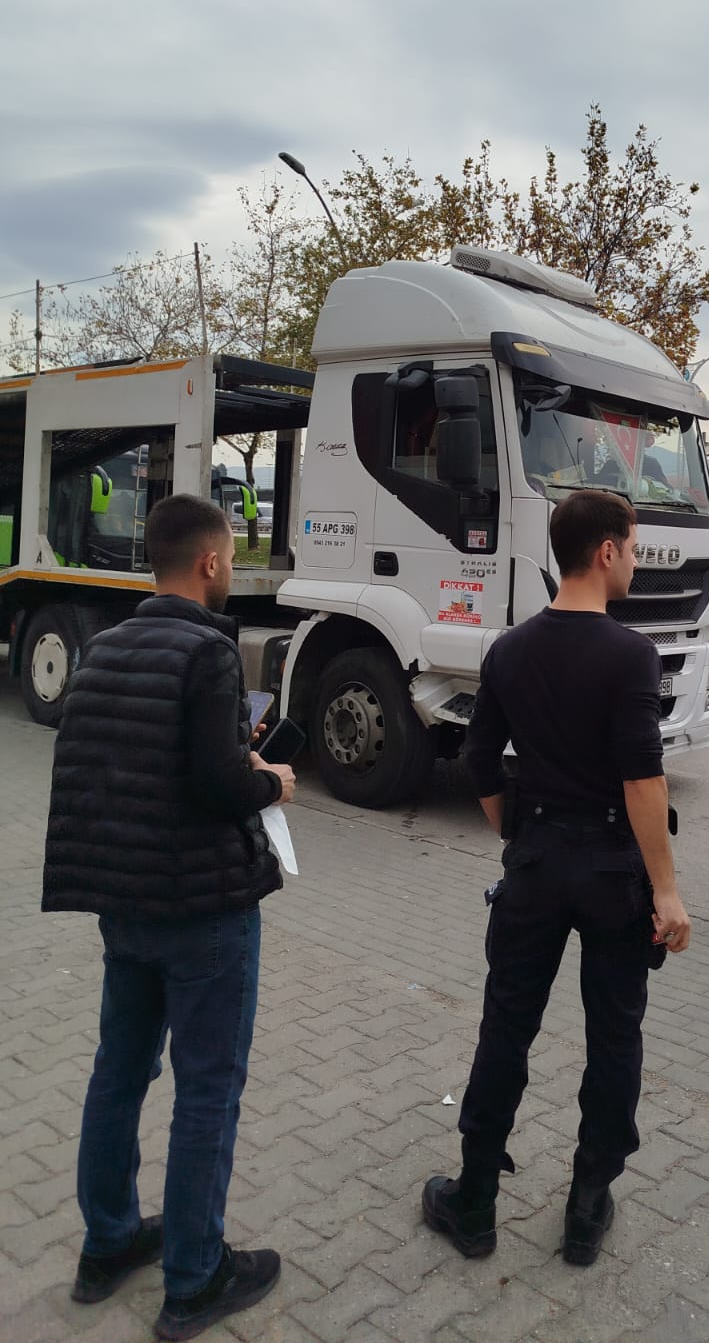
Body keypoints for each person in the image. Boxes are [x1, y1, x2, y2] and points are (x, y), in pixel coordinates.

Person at [42, 494, 295, 1342]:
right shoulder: (208, 651)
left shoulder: (102, 647)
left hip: (124, 905)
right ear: (211, 562)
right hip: (204, 914)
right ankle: (194, 1277)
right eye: (231, 559)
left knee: (119, 1070)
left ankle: (107, 1243)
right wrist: (272, 781)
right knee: (207, 1090)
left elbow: (102, 764)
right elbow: (220, 782)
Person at [423, 489, 690, 1266]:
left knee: (506, 1024)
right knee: (614, 1036)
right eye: (634, 548)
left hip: (536, 863)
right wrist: (666, 891)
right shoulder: (630, 654)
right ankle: (586, 1207)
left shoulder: (508, 648)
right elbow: (644, 782)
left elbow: (478, 757)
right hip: (613, 874)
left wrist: (518, 834)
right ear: (605, 551)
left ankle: (473, 1201)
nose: (636, 562)